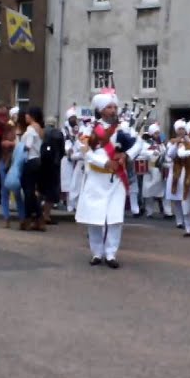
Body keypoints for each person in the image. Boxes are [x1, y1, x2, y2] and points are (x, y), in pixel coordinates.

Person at [75, 90, 139, 267]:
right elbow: (85, 151)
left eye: (114, 107)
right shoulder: (89, 128)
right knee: (95, 219)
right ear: (101, 110)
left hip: (116, 179)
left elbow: (139, 144)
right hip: (96, 179)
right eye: (109, 107)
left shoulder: (123, 127)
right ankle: (97, 253)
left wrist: (126, 155)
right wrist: (104, 162)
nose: (113, 110)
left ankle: (111, 254)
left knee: (115, 219)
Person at [19, 107, 46, 230]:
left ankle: (29, 218)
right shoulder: (39, 128)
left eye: (27, 114)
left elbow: (28, 146)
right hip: (37, 160)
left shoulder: (30, 129)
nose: (25, 116)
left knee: (28, 191)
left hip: (30, 160)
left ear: (32, 116)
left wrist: (19, 147)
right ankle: (38, 218)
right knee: (31, 191)